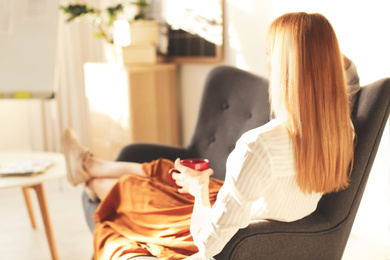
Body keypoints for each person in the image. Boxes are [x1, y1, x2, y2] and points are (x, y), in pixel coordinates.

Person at [63, 12, 360, 260]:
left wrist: (199, 191)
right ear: (326, 64)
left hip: (231, 229)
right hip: (247, 211)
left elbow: (210, 243)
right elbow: (351, 78)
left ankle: (91, 176)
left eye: (271, 56)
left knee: (129, 189)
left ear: (284, 68)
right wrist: (316, 45)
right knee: (160, 173)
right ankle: (91, 167)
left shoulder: (260, 146)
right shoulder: (340, 130)